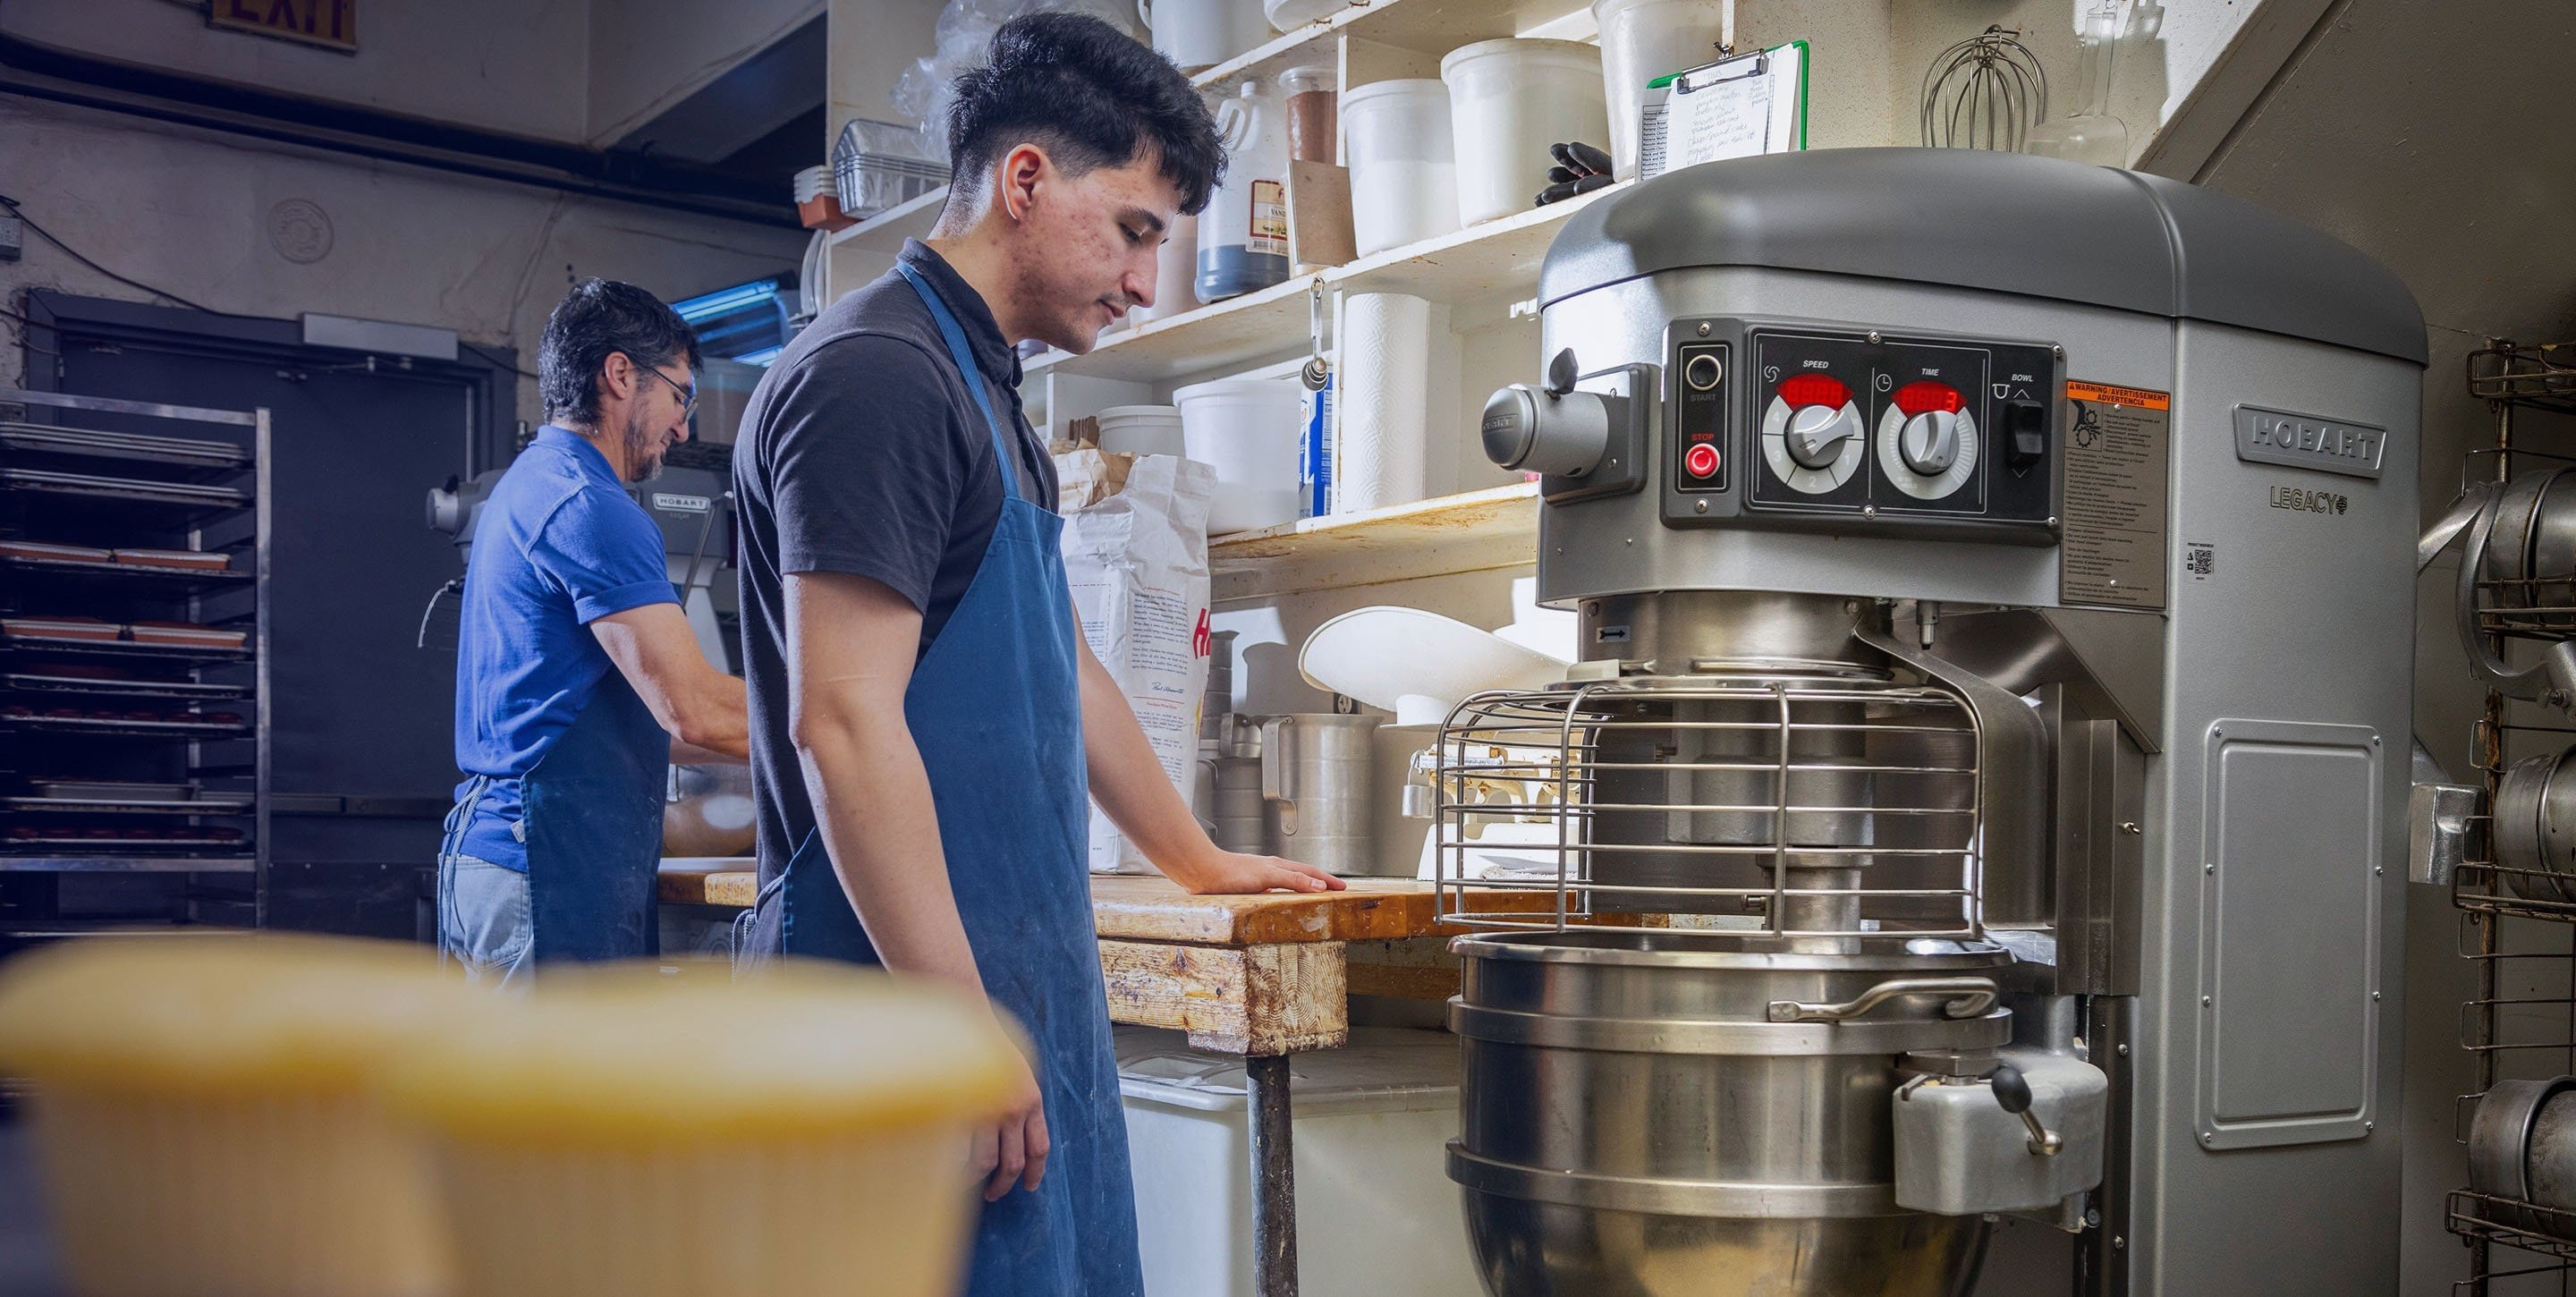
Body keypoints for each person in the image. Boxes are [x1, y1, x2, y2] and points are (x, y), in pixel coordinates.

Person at [731, 13, 1343, 1294]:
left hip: (1006, 973)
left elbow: (1065, 665)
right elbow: (842, 721)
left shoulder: (983, 389)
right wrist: (954, 1018)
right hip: (892, 1004)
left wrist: (1197, 856)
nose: (1141, 278)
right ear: (1024, 180)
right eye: (1131, 230)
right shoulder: (877, 378)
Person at [440, 278, 750, 986]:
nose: (684, 427)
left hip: (516, 858)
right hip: (543, 865)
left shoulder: (531, 484)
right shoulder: (589, 504)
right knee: (549, 1099)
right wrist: (846, 730)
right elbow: (692, 708)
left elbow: (639, 722)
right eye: (680, 395)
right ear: (619, 375)